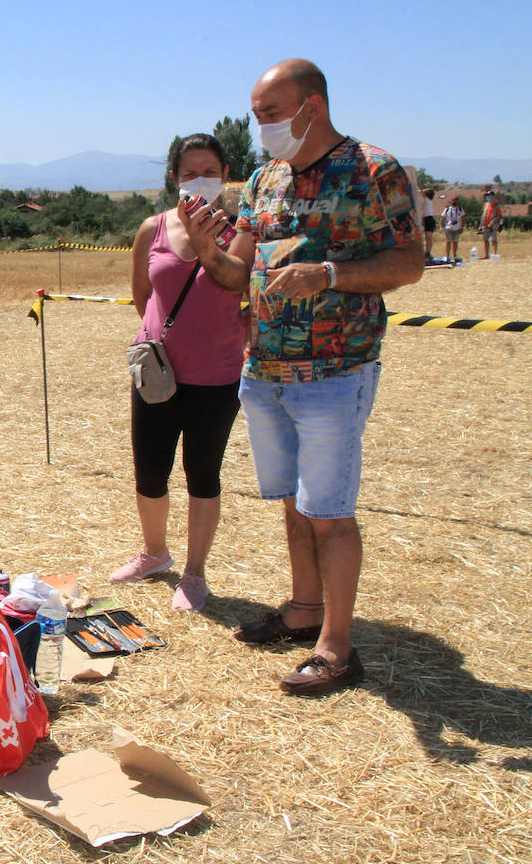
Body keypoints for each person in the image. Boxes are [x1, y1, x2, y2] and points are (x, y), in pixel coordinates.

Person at [180, 58, 423, 695]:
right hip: (264, 370)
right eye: (257, 114)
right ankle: (303, 610)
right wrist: (205, 243)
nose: (260, 127)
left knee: (330, 511)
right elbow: (236, 273)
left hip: (336, 370)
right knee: (291, 500)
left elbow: (410, 262)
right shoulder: (264, 179)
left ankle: (337, 648)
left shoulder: (374, 170)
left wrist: (330, 275)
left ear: (311, 106)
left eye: (270, 113)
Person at [108, 133, 247, 613]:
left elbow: (242, 284)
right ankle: (153, 553)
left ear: (225, 175)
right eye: (189, 173)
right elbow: (142, 294)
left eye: (209, 171)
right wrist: (164, 336)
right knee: (149, 471)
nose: (199, 180)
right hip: (157, 373)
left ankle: (194, 574)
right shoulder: (153, 228)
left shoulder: (242, 231)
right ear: (173, 178)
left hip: (218, 374)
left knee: (202, 475)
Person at [479, 187, 502, 260]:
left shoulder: (497, 205)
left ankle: (495, 254)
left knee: (493, 239)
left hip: (493, 225)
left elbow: (498, 216)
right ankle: (486, 255)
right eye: (488, 196)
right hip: (485, 225)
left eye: (490, 195)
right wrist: (481, 225)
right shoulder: (485, 205)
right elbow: (483, 215)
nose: (489, 197)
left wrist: (492, 223)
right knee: (485, 240)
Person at [441, 195, 465, 263]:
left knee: (455, 242)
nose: (454, 202)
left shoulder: (460, 209)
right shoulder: (447, 209)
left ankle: (454, 256)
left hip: (457, 228)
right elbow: (442, 218)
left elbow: (463, 218)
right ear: (451, 201)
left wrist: (462, 227)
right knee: (448, 242)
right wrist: (441, 226)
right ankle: (447, 256)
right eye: (453, 200)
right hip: (449, 228)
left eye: (456, 200)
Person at [421, 187, 436, 261]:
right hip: (428, 219)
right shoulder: (429, 200)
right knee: (428, 238)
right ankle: (427, 253)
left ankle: (427, 253)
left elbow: (421, 191)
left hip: (428, 219)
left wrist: (418, 183)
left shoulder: (427, 200)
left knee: (428, 238)